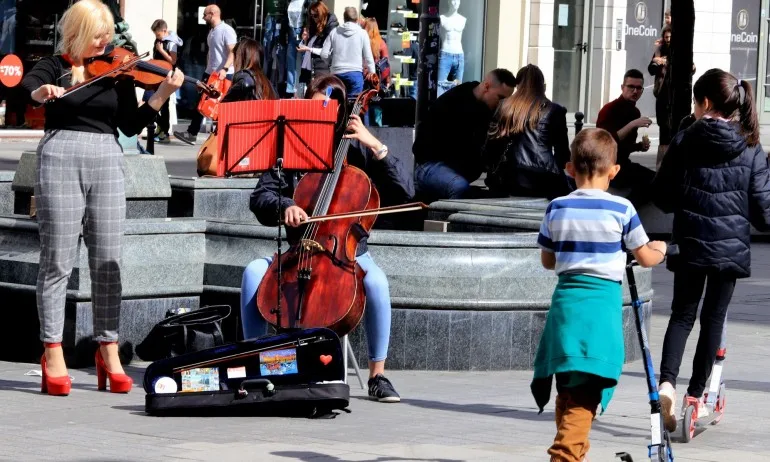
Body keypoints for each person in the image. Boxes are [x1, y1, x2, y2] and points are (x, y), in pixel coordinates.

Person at [20, 0, 184, 396]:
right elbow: (28, 88)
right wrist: (43, 92)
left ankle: (108, 346)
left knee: (108, 259)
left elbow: (129, 124)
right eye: (98, 33)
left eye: (108, 33)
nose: (106, 41)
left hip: (107, 158)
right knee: (57, 259)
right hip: (60, 156)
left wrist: (162, 93)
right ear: (77, 32)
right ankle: (52, 350)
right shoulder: (54, 64)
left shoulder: (118, 72)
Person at [240, 75, 414, 403]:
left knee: (376, 282)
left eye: (326, 108)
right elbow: (261, 196)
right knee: (252, 272)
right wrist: (286, 204)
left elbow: (405, 192)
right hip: (297, 248)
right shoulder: (291, 145)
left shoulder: (358, 149)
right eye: (314, 106)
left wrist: (374, 144)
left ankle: (378, 376)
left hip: (346, 253)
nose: (319, 114)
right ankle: (257, 366)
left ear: (339, 111)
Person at [533, 128, 666, 462]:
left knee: (569, 392)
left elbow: (548, 261)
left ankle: (575, 455)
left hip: (565, 311)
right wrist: (661, 249)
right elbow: (646, 257)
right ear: (614, 170)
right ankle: (564, 457)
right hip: (599, 313)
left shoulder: (556, 208)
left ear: (569, 168)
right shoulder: (622, 209)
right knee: (583, 397)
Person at [652, 69, 770, 432]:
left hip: (690, 243)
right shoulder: (751, 145)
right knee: (713, 320)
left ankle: (667, 384)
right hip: (729, 249)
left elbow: (663, 195)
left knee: (682, 316)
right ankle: (695, 396)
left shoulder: (686, 139)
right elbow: (764, 211)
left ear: (704, 103)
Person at [412, 68, 515, 202]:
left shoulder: (485, 108)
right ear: (486, 86)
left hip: (451, 169)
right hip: (430, 166)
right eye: (500, 98)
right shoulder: (454, 102)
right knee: (459, 188)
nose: (502, 104)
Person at [483, 64, 572, 199]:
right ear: (543, 86)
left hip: (509, 177)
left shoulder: (504, 106)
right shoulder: (555, 110)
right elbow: (563, 154)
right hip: (545, 177)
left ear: (518, 86)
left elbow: (491, 145)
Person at [174, 4, 236, 145]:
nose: (203, 17)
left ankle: (219, 136)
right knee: (202, 102)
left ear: (212, 14)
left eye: (205, 15)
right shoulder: (212, 31)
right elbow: (211, 53)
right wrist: (206, 72)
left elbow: (233, 52)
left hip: (223, 75)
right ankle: (192, 133)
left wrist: (225, 69)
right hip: (211, 73)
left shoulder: (227, 30)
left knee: (219, 105)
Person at [595, 69, 655, 207]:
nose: (635, 91)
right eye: (631, 87)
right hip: (606, 167)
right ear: (622, 87)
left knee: (656, 180)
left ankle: (625, 210)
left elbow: (623, 147)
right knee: (650, 181)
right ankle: (623, 212)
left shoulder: (634, 112)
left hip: (623, 165)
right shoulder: (609, 109)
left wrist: (640, 146)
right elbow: (605, 143)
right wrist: (632, 124)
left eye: (639, 88)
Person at [303, 7, 374, 98]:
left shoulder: (334, 32)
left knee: (337, 103)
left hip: (337, 74)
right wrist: (372, 73)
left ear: (344, 19)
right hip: (355, 74)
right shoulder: (362, 33)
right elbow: (368, 57)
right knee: (355, 105)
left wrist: (330, 63)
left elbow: (324, 53)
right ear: (357, 19)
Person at [144, 19, 183, 144]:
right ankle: (158, 128)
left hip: (167, 75)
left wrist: (161, 51)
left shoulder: (171, 43)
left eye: (158, 34)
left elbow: (173, 61)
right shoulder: (159, 41)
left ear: (164, 31)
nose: (157, 37)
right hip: (157, 74)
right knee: (151, 100)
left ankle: (164, 131)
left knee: (163, 104)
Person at [221, 38, 277, 103]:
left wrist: (221, 101)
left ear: (239, 57)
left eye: (235, 56)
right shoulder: (267, 82)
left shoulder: (244, 77)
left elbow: (225, 104)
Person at [297, 0, 338, 83]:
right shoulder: (314, 27)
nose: (313, 18)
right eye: (311, 15)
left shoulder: (330, 28)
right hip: (310, 68)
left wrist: (309, 49)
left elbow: (328, 52)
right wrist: (305, 40)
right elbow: (307, 46)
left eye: (315, 15)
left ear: (321, 14)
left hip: (322, 69)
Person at [649, 26, 671, 169]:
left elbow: (691, 69)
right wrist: (658, 62)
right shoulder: (659, 51)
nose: (668, 40)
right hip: (662, 95)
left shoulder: (680, 52)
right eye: (666, 37)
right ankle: (661, 165)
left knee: (673, 129)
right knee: (663, 129)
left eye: (670, 37)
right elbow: (651, 70)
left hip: (675, 96)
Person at [364, 17, 389, 127]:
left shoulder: (363, 41)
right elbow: (386, 65)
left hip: (364, 77)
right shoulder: (381, 43)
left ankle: (366, 126)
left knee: (365, 103)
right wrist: (386, 80)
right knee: (376, 103)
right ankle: (377, 127)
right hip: (376, 80)